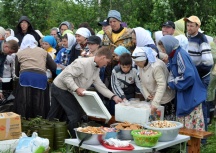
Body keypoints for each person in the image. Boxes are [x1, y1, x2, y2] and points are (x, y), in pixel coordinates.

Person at [47, 46, 122, 137]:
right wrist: (76, 88)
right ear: (103, 58)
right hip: (60, 88)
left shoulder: (96, 68)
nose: (106, 65)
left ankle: (48, 137)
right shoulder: (82, 62)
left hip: (67, 90)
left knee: (55, 114)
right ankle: (75, 141)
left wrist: (113, 96)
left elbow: (99, 85)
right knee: (76, 114)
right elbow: (66, 77)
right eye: (107, 62)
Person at [158, 35, 206, 131]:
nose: (163, 50)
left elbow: (189, 76)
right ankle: (186, 143)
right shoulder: (174, 55)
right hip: (186, 92)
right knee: (186, 117)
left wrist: (172, 84)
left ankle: (193, 143)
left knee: (191, 117)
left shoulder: (180, 55)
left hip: (191, 92)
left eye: (163, 48)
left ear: (169, 45)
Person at [14, 34, 56, 119]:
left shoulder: (19, 53)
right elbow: (54, 67)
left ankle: (24, 120)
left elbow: (17, 72)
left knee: (24, 100)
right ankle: (39, 121)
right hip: (40, 77)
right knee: (39, 101)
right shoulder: (44, 52)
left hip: (25, 77)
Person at [184, 16, 213, 137]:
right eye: (188, 25)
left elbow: (208, 62)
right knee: (195, 106)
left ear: (198, 27)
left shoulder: (202, 40)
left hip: (201, 77)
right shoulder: (188, 37)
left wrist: (195, 74)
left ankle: (203, 137)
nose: (189, 27)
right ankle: (193, 132)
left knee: (201, 105)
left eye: (191, 25)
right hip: (194, 76)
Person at [132, 47, 176, 120]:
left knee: (164, 124)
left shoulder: (156, 66)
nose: (136, 64)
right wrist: (146, 94)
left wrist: (155, 103)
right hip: (153, 99)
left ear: (144, 60)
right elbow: (141, 81)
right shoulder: (141, 65)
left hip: (165, 99)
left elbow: (162, 85)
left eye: (137, 62)